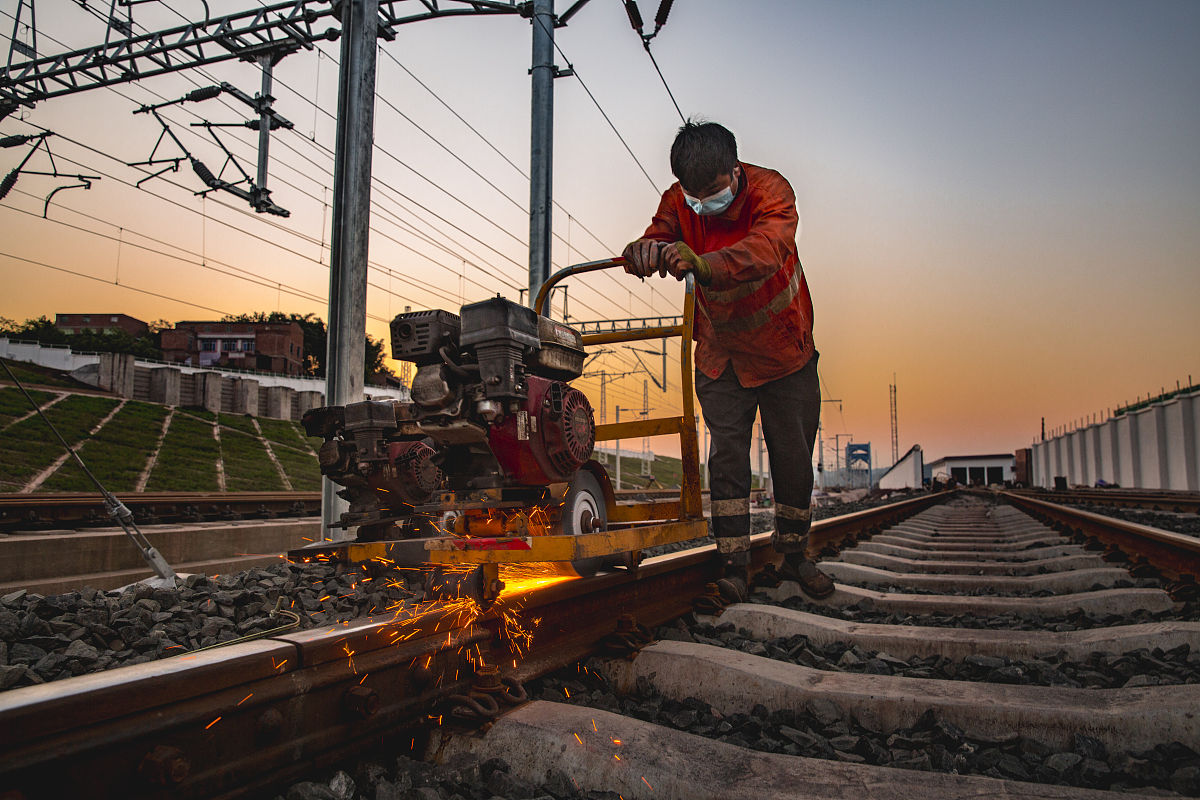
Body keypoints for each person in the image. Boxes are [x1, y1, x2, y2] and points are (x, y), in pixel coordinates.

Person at [621, 120, 834, 602]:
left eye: (711, 193)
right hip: (721, 357)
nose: (701, 204)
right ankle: (732, 563)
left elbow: (766, 249)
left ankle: (795, 557)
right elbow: (660, 233)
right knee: (728, 460)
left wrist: (704, 263)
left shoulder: (771, 192)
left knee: (793, 458)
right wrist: (645, 250)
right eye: (693, 196)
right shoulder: (679, 201)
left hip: (784, 353)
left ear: (734, 171)